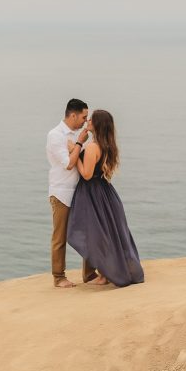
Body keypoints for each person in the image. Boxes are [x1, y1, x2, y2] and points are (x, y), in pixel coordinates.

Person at [67, 110, 144, 287]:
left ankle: (105, 274)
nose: (88, 120)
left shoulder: (93, 147)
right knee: (108, 233)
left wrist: (75, 150)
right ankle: (106, 273)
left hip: (92, 193)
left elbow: (86, 174)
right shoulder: (107, 145)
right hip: (105, 192)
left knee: (97, 234)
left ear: (97, 124)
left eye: (91, 119)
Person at [45, 99, 96, 288]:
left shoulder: (79, 134)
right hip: (61, 192)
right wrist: (79, 144)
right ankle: (58, 277)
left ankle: (89, 274)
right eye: (83, 117)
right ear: (72, 115)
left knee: (89, 232)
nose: (85, 121)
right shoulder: (55, 135)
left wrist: (79, 142)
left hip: (81, 192)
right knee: (60, 236)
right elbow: (68, 164)